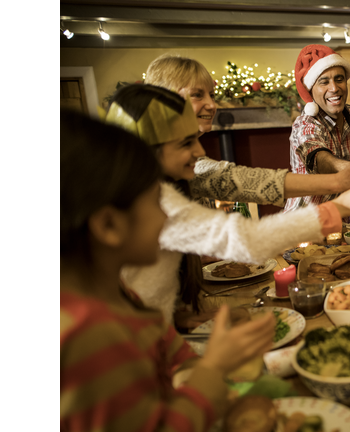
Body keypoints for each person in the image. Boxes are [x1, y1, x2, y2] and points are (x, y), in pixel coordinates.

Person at [105, 84, 350, 328]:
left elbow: (145, 293)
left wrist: (178, 321)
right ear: (143, 149)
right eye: (185, 143)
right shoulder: (156, 203)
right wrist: (339, 207)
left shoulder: (153, 190)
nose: (200, 151)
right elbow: (248, 240)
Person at [60, 110, 275, 431]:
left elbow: (167, 350)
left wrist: (206, 353)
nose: (167, 217)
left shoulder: (120, 295)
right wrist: (213, 370)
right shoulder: (89, 336)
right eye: (155, 202)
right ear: (108, 225)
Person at [143, 53, 350, 210]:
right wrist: (341, 181)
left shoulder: (194, 163)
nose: (212, 105)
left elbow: (243, 183)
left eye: (212, 95)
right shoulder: (145, 169)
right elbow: (248, 182)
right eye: (197, 94)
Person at [285, 45, 350, 213]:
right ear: (311, 89)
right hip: (306, 223)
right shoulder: (305, 124)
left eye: (339, 79)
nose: (334, 88)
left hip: (344, 220)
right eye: (324, 82)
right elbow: (320, 160)